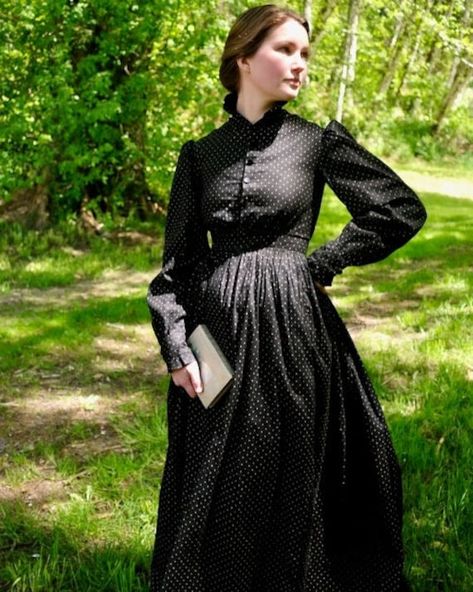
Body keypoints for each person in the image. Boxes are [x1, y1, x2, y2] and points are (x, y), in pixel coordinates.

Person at [146, 4, 427, 591]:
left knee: (289, 464)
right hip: (215, 334)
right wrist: (177, 346)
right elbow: (176, 267)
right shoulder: (200, 155)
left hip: (292, 330)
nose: (300, 65)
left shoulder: (315, 143)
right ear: (244, 58)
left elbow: (397, 208)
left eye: (306, 54)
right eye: (286, 50)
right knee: (214, 473)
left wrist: (321, 262)